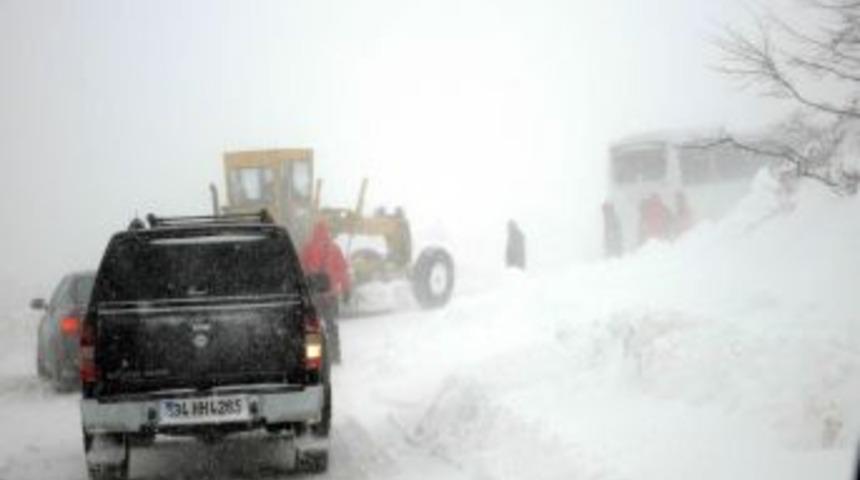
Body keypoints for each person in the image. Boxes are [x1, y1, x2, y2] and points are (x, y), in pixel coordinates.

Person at [300, 220, 350, 363]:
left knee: (312, 328)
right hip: (331, 296)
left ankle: (313, 358)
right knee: (332, 326)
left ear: (313, 232)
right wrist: (346, 289)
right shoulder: (334, 248)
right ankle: (335, 355)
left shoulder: (307, 248)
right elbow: (343, 271)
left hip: (314, 296)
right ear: (327, 232)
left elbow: (301, 270)